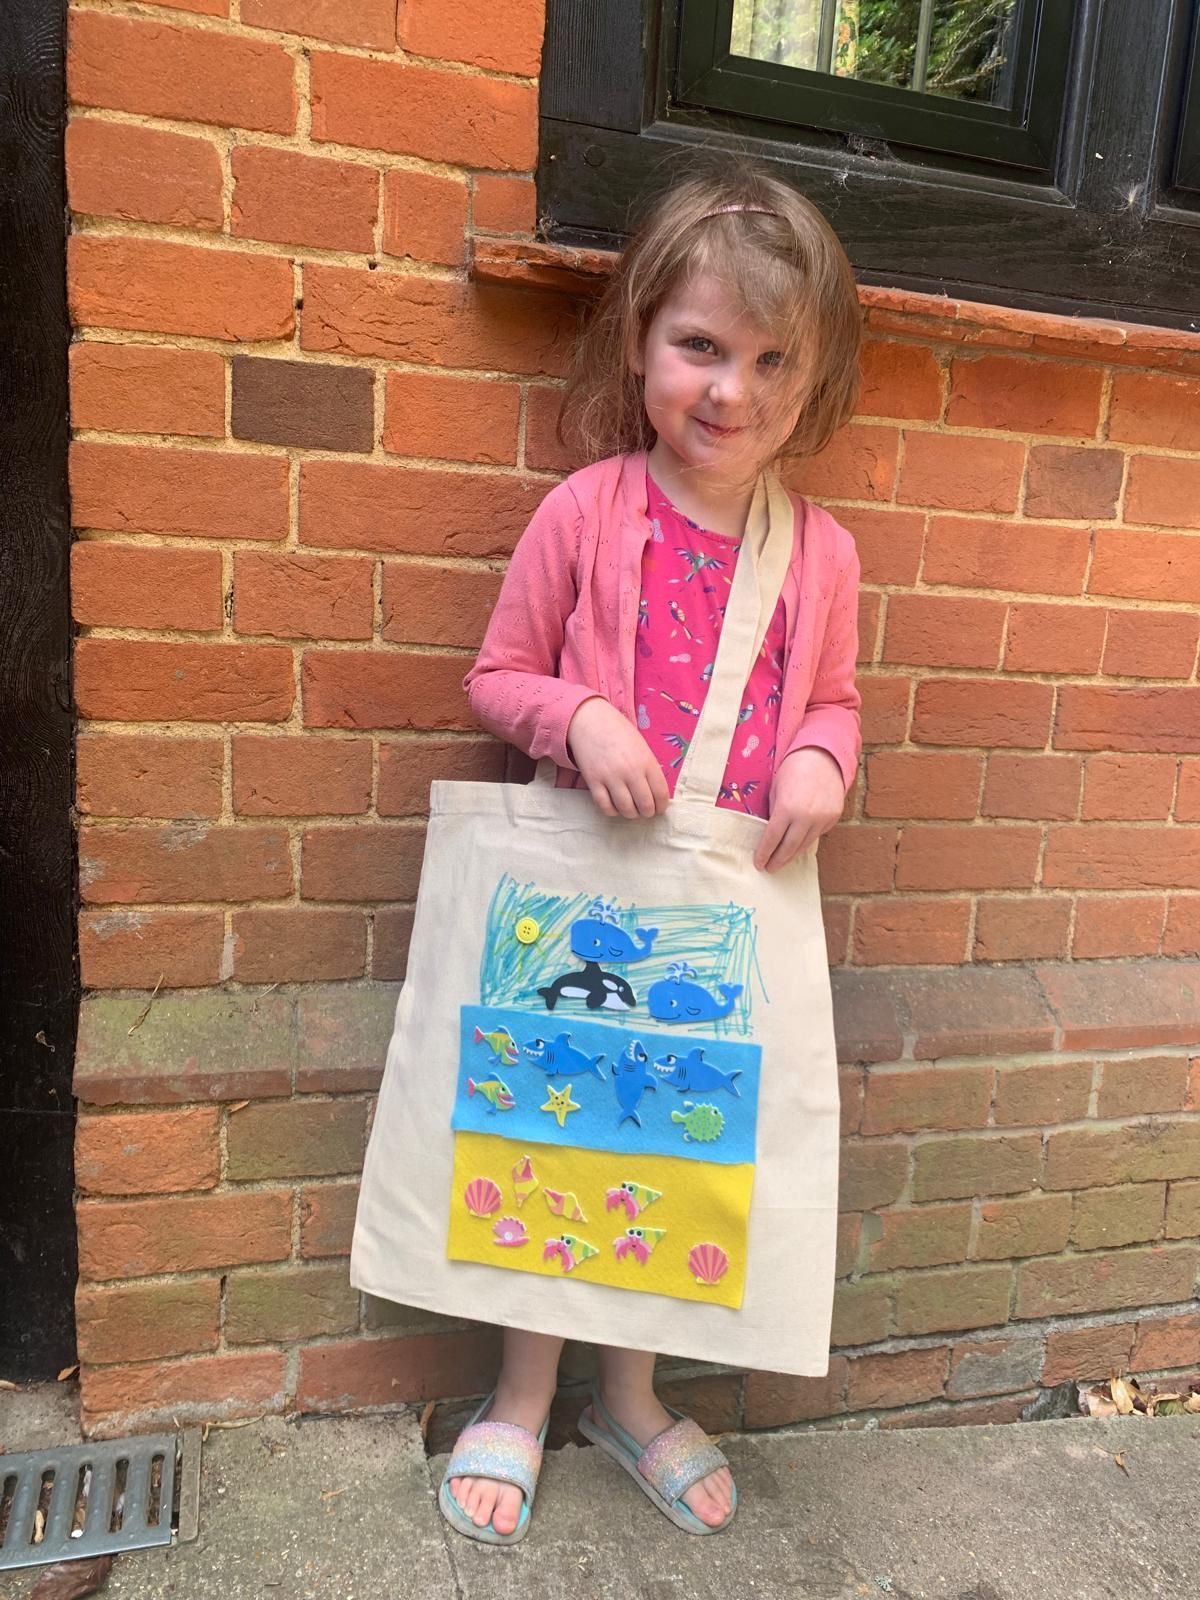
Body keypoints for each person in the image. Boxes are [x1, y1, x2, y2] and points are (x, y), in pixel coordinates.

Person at [441, 162, 863, 1543]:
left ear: (808, 383)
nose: (727, 389)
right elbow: (498, 675)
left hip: (712, 927)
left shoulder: (823, 556)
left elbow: (837, 700)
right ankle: (517, 1394)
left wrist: (821, 757)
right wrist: (582, 711)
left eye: (767, 359)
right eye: (699, 346)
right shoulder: (587, 514)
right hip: (575, 909)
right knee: (544, 1144)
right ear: (642, 344)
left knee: (672, 1165)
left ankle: (629, 1400)